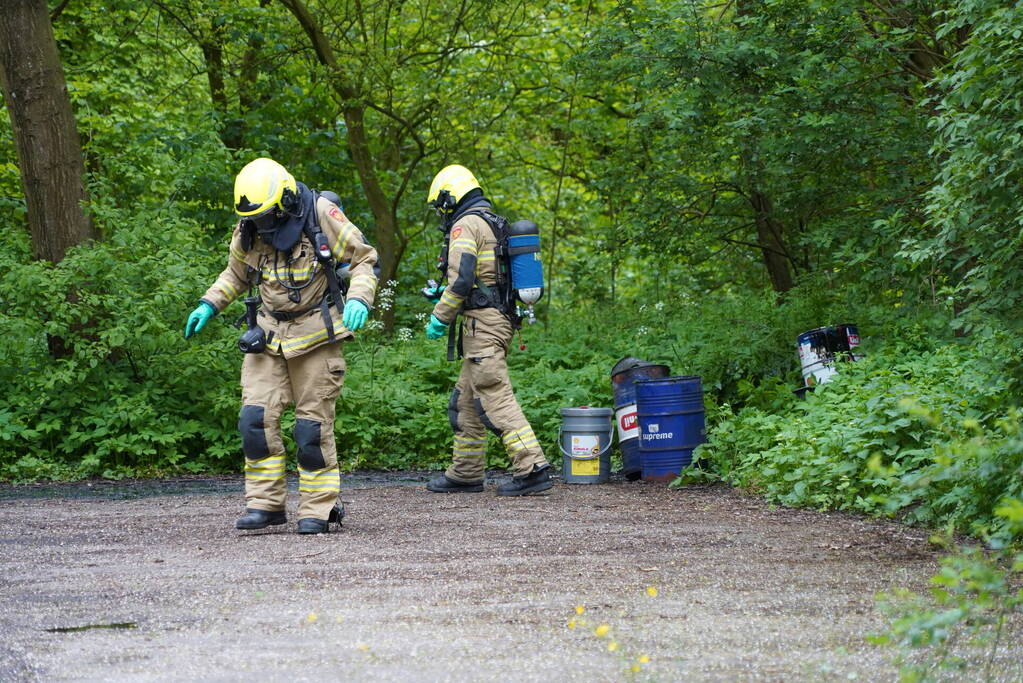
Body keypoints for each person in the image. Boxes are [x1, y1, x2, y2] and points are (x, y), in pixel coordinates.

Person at [184, 158, 378, 534]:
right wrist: (209, 303)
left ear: (285, 200)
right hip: (268, 336)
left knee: (311, 429)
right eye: (255, 219)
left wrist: (359, 299)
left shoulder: (320, 213)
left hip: (317, 336)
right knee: (253, 421)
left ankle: (318, 510)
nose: (263, 226)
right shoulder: (251, 224)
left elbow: (364, 258)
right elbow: (236, 273)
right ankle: (266, 505)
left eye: (267, 216)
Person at [423, 164, 552, 496]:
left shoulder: (465, 225)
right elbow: (484, 277)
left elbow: (463, 277)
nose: (442, 212)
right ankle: (466, 472)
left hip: (484, 325)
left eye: (442, 205)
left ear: (451, 198)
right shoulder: (493, 223)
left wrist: (441, 315)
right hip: (492, 320)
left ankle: (532, 467)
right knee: (465, 401)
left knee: (494, 396)